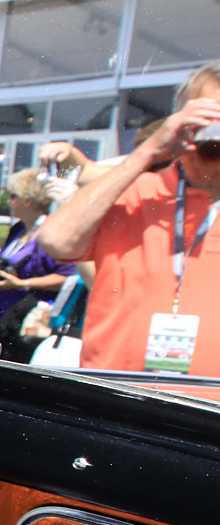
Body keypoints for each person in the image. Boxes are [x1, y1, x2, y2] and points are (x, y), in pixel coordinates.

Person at [38, 61, 220, 374]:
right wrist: (148, 152)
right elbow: (56, 240)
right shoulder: (137, 190)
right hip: (117, 399)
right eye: (208, 116)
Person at [0, 167, 75, 363]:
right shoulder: (18, 230)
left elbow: (66, 277)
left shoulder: (52, 233)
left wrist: (23, 284)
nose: (9, 201)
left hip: (30, 323)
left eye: (14, 196)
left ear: (29, 201)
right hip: (5, 315)